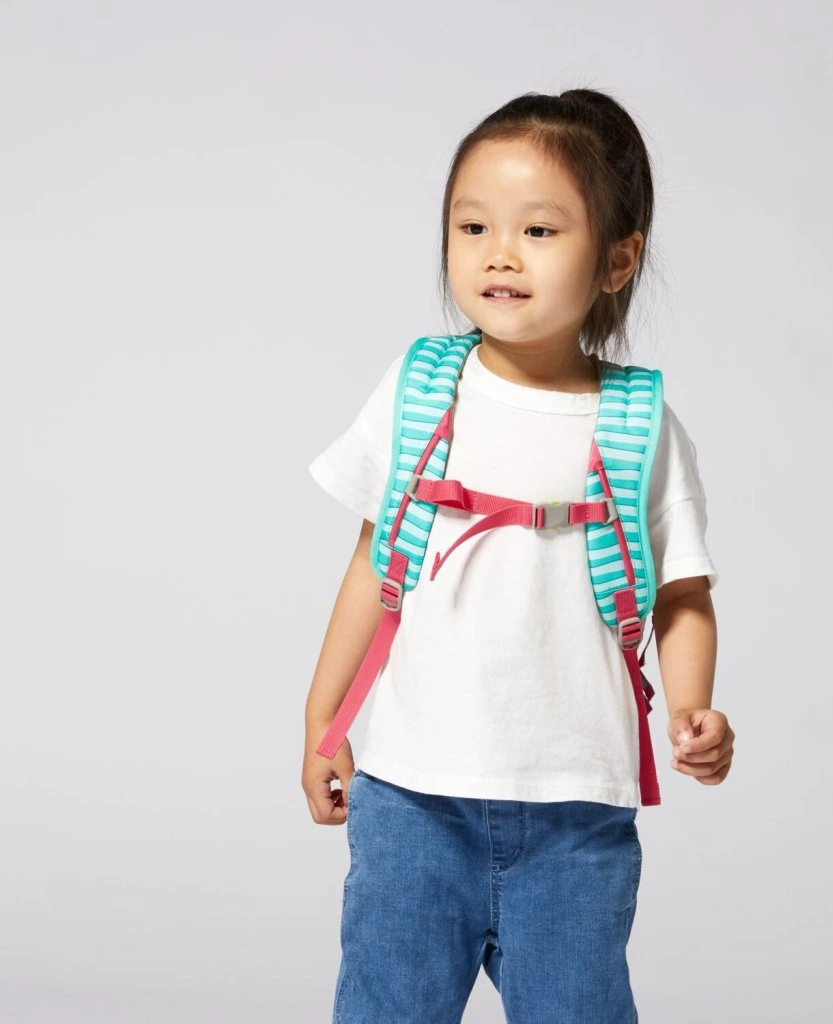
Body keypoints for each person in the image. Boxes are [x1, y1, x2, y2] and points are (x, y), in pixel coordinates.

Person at [301, 87, 736, 1024]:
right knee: (387, 1007)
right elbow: (375, 562)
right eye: (473, 227)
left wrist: (692, 706)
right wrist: (322, 720)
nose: (499, 252)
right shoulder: (421, 386)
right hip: (412, 796)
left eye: (539, 230)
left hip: (575, 808)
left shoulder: (640, 421)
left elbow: (683, 593)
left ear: (617, 259)